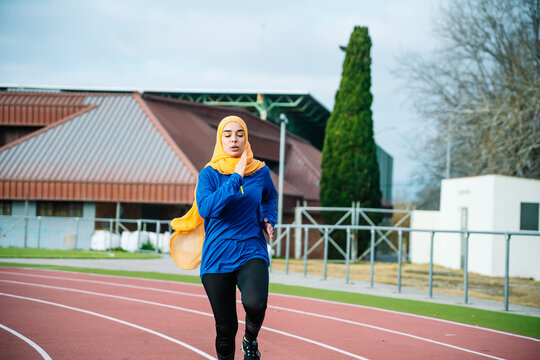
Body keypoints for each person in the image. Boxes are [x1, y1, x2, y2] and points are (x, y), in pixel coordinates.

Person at [174, 115, 277, 360]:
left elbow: (269, 197)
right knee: (225, 328)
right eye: (228, 134)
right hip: (217, 256)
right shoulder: (209, 175)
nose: (234, 139)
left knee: (255, 304)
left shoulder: (260, 171)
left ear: (246, 138)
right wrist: (235, 179)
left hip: (251, 249)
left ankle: (250, 340)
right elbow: (207, 208)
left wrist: (269, 217)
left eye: (239, 134)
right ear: (220, 139)